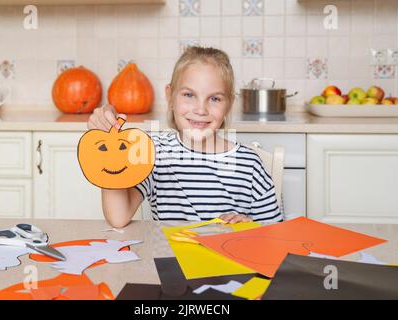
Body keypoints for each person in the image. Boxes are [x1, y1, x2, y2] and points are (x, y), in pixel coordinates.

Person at [87, 46, 283, 228]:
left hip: (231, 265)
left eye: (214, 99)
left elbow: (276, 234)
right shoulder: (153, 153)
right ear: (170, 96)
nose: (200, 109)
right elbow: (118, 217)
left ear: (229, 104)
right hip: (170, 262)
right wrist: (108, 141)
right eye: (189, 95)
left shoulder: (249, 165)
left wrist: (249, 226)